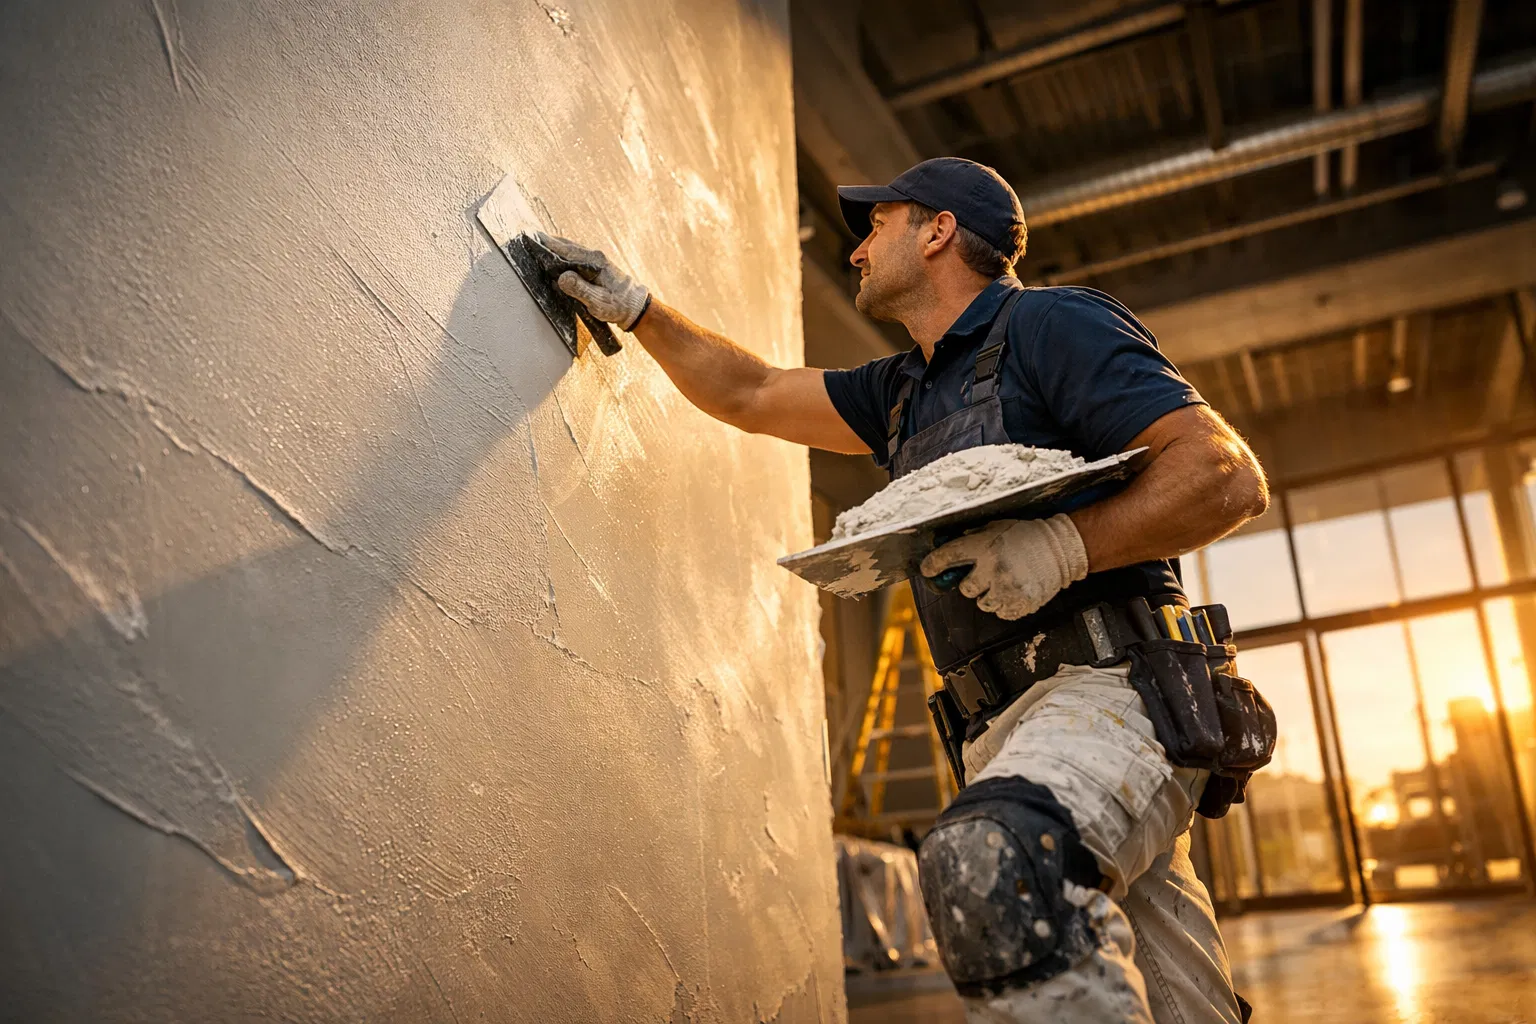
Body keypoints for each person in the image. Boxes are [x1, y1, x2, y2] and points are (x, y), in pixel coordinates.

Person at [538, 156, 1267, 1024]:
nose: (856, 250)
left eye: (876, 225)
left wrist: (1064, 546)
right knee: (1184, 1006)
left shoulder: (1052, 326)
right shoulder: (900, 393)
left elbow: (1224, 475)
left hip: (1110, 695)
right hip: (998, 727)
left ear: (939, 231)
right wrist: (639, 309)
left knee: (1000, 864)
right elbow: (753, 392)